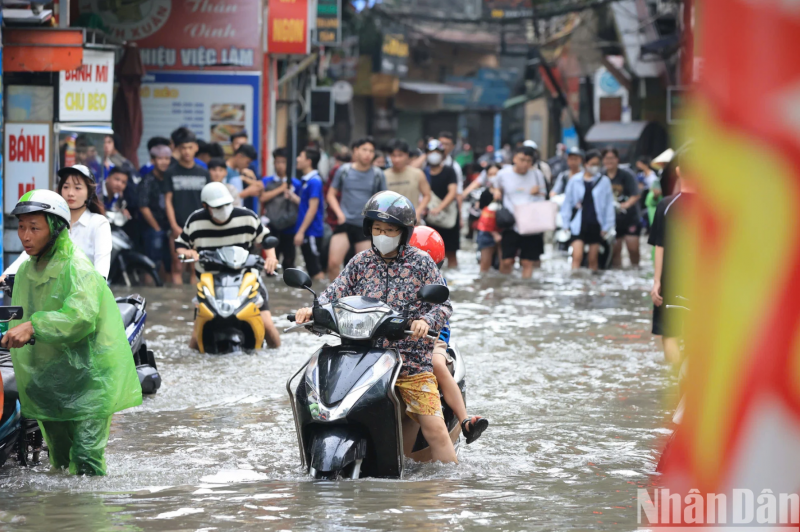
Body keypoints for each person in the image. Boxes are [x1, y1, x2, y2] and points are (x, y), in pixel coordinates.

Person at [295, 191, 458, 463]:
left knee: (435, 430)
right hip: (362, 356)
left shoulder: (421, 262)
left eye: (390, 229)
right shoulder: (360, 262)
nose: (383, 234)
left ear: (403, 232)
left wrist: (424, 322)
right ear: (368, 229)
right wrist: (312, 310)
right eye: (378, 228)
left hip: (411, 360)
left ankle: (451, 489)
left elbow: (444, 304)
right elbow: (335, 292)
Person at [3, 190, 141, 475]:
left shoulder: (77, 267)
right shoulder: (28, 270)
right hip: (50, 376)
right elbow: (20, 315)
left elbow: (80, 317)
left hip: (89, 377)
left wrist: (34, 326)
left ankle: (89, 517)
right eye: (21, 227)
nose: (25, 236)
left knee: (87, 462)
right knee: (60, 461)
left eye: (34, 228)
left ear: (54, 229)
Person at [176, 183, 281, 349]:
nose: (223, 209)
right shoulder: (195, 221)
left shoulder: (247, 217)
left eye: (226, 204)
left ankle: (276, 358)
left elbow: (266, 239)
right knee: (195, 340)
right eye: (218, 207)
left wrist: (271, 258)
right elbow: (180, 245)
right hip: (209, 283)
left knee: (267, 325)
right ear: (205, 206)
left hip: (246, 279)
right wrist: (188, 253)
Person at [409, 225, 489, 443]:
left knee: (435, 363)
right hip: (397, 340)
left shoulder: (436, 282)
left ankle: (465, 421)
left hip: (431, 341)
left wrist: (424, 324)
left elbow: (441, 314)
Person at [4, 165, 111, 279]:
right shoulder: (54, 222)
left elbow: (102, 265)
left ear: (89, 193)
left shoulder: (98, 223)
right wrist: (6, 275)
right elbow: (30, 252)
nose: (70, 193)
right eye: (66, 187)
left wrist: (98, 283)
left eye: (77, 188)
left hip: (86, 291)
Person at [649, 150, 693, 365]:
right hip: (706, 284)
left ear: (678, 171)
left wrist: (657, 281)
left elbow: (660, 246)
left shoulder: (666, 205)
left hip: (672, 283)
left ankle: (678, 382)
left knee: (671, 336)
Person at [326, 137, 387, 281]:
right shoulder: (344, 170)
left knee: (365, 268)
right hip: (345, 222)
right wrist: (339, 214)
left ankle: (360, 300)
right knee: (333, 263)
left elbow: (383, 199)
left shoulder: (378, 174)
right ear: (356, 151)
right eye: (364, 150)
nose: (368, 154)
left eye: (371, 151)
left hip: (365, 226)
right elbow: (331, 194)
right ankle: (333, 296)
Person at [492, 146, 547, 278]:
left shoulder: (537, 175)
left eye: (529, 161)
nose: (525, 163)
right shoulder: (503, 174)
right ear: (515, 158)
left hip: (530, 223)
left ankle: (525, 291)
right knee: (507, 260)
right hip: (511, 221)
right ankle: (505, 287)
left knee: (527, 261)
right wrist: (497, 192)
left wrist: (535, 193)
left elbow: (544, 197)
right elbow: (495, 188)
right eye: (522, 159)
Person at [164, 129, 210, 285]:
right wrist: (173, 225)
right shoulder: (170, 172)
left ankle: (192, 306)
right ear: (178, 149)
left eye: (190, 147)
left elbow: (208, 202)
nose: (187, 151)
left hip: (200, 227)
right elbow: (168, 200)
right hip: (177, 226)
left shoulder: (204, 173)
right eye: (183, 148)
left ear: (196, 147)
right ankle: (177, 304)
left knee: (195, 267)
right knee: (177, 265)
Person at [561, 150, 616, 271]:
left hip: (596, 223)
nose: (595, 167)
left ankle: (592, 285)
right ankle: (574, 284)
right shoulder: (574, 180)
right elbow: (567, 203)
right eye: (592, 163)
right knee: (577, 256)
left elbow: (608, 205)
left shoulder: (604, 181)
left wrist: (607, 226)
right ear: (585, 164)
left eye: (598, 164)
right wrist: (565, 223)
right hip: (578, 223)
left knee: (593, 259)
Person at [261, 148, 301, 270]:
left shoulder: (296, 183)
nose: (280, 166)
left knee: (289, 263)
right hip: (271, 226)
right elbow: (262, 198)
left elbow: (302, 204)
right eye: (277, 162)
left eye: (283, 162)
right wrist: (281, 189)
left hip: (289, 227)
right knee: (271, 264)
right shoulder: (266, 181)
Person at [138, 145, 173, 279]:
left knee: (169, 263)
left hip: (169, 226)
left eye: (167, 158)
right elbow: (143, 206)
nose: (164, 162)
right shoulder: (147, 180)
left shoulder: (169, 178)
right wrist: (156, 227)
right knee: (152, 264)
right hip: (152, 228)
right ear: (152, 160)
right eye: (160, 158)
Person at [423, 140, 459, 268]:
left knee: (451, 251)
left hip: (448, 216)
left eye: (437, 152)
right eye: (431, 152)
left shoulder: (449, 171)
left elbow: (452, 192)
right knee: (429, 252)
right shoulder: (422, 172)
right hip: (429, 218)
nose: (434, 155)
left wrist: (439, 208)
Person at [604, 148, 641, 268]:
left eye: (611, 158)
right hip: (612, 220)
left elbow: (635, 195)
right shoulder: (601, 176)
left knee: (633, 248)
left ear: (617, 159)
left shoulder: (626, 174)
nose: (609, 161)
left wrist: (624, 205)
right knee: (615, 251)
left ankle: (635, 270)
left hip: (630, 217)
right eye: (606, 158)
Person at [293, 147, 326, 280]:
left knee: (315, 269)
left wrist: (300, 231)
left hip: (312, 232)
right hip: (308, 231)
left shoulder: (314, 181)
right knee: (311, 267)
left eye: (300, 156)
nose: (297, 159)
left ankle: (324, 298)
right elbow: (305, 204)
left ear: (308, 161)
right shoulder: (307, 181)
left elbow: (312, 209)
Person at [384, 138, 432, 221]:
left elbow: (427, 195)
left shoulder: (417, 174)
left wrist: (418, 211)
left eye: (400, 155)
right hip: (389, 222)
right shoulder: (383, 175)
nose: (396, 159)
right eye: (393, 155)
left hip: (412, 220)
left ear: (407, 155)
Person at [474, 164, 503, 273]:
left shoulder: (507, 193)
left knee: (504, 264)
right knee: (484, 265)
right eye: (490, 174)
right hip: (487, 232)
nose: (493, 176)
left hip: (504, 231)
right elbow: (484, 217)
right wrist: (494, 233)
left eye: (496, 174)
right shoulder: (485, 194)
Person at [225, 144, 264, 209]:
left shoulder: (238, 171)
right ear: (239, 156)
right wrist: (246, 193)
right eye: (247, 162)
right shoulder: (224, 170)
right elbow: (223, 197)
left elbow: (260, 185)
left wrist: (249, 178)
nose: (247, 165)